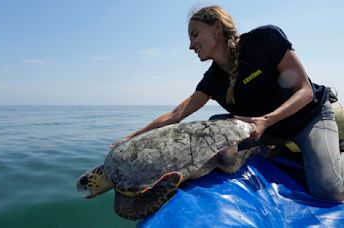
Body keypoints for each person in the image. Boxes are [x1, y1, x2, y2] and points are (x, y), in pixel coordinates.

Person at [111, 5, 344, 201]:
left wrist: (266, 121)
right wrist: (132, 138)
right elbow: (175, 115)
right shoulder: (212, 79)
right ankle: (278, 148)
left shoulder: (264, 39)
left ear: (216, 29)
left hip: (308, 118)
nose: (191, 45)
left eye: (194, 34)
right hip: (266, 132)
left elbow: (304, 91)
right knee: (213, 128)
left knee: (328, 190)